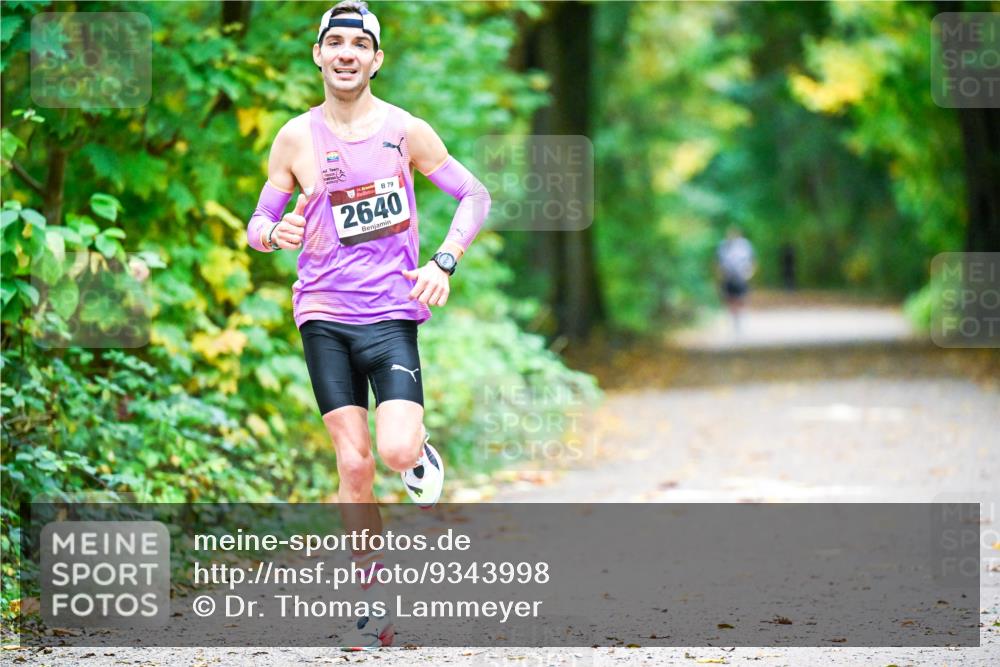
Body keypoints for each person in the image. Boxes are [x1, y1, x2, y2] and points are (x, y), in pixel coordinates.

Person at [244, 1, 490, 650]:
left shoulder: (406, 131)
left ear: (376, 59)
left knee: (395, 452)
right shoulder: (295, 138)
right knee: (352, 464)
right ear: (319, 54)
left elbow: (475, 195)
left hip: (389, 312)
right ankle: (369, 597)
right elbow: (256, 225)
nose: (347, 53)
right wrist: (277, 230)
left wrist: (444, 259)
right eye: (336, 42)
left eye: (360, 44)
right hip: (322, 312)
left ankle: (421, 449)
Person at [716, 226, 756, 333]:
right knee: (730, 298)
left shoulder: (745, 246)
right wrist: (720, 275)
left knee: (741, 298)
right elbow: (719, 262)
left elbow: (752, 260)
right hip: (728, 276)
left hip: (741, 276)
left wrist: (749, 273)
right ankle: (734, 319)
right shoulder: (723, 246)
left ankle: (740, 317)